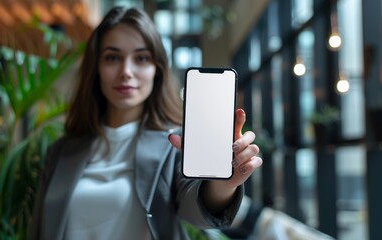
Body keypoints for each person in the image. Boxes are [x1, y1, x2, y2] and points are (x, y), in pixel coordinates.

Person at [28, 6, 262, 240]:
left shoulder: (175, 144)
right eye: (112, 57)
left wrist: (224, 183)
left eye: (141, 58)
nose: (126, 71)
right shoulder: (61, 152)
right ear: (96, 68)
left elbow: (197, 207)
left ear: (156, 70)